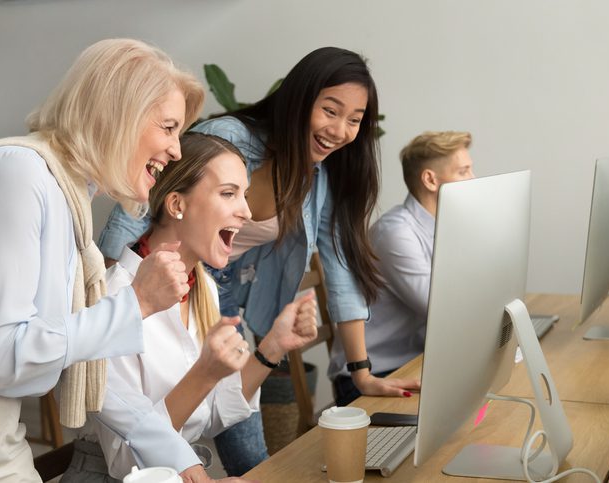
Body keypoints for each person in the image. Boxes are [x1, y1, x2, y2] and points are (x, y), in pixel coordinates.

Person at [96, 46, 420, 475]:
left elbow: (339, 266)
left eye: (355, 120)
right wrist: (104, 303)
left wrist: (360, 373)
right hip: (163, 285)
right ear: (301, 99)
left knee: (248, 450)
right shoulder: (229, 139)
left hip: (214, 299)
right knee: (182, 435)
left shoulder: (317, 175)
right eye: (330, 110)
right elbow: (145, 198)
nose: (340, 130)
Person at [0, 38, 206, 481]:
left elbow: (83, 361)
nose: (176, 150)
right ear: (120, 114)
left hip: (1, 430)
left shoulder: (68, 200)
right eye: (169, 127)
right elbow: (5, 355)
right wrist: (135, 303)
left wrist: (178, 456)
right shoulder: (18, 173)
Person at [62, 132, 318, 482]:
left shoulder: (204, 289)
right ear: (177, 205)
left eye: (243, 194)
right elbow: (126, 461)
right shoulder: (114, 298)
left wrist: (274, 346)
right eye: (228, 194)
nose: (245, 211)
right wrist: (205, 373)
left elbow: (211, 413)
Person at [328, 130, 475, 406]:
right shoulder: (395, 233)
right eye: (464, 171)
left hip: (417, 364)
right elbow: (444, 311)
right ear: (430, 179)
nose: (473, 180)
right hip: (374, 376)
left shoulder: (450, 226)